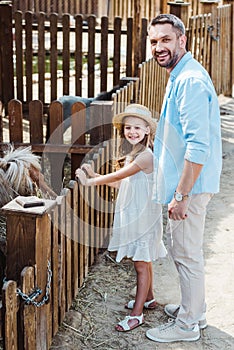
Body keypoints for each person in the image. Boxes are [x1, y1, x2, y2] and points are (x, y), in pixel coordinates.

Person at [145, 14, 222, 343]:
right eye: (153, 41)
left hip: (191, 188)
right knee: (186, 251)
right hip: (190, 185)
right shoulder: (182, 73)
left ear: (182, 40)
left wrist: (181, 195)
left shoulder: (188, 80)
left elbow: (198, 146)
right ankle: (196, 309)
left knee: (186, 253)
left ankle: (187, 325)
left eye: (165, 39)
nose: (159, 47)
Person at [75, 103, 167, 332]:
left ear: (148, 130)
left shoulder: (146, 156)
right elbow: (123, 183)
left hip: (143, 217)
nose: (132, 132)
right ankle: (149, 299)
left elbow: (118, 174)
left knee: (140, 265)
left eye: (137, 127)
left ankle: (137, 315)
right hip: (136, 213)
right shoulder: (135, 153)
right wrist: (96, 175)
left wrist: (90, 182)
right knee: (143, 260)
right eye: (128, 128)